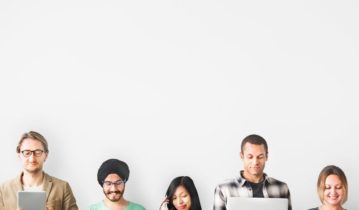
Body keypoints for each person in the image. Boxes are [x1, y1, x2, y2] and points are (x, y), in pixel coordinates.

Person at [0, 131, 78, 210]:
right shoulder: (3, 190)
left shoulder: (62, 187)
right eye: (27, 153)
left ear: (46, 155)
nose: (32, 158)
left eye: (38, 152)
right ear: (19, 155)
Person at [213, 134, 291, 210]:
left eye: (260, 157)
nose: (255, 162)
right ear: (242, 156)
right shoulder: (223, 189)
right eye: (250, 157)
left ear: (266, 157)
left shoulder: (282, 188)